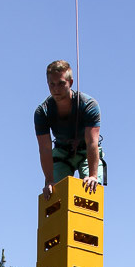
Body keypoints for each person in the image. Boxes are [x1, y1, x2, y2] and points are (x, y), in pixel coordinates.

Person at [35, 59, 104, 201]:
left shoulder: (88, 105)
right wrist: (49, 181)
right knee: (55, 195)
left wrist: (92, 176)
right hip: (62, 153)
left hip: (86, 152)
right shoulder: (43, 112)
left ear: (70, 83)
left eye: (61, 84)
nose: (56, 89)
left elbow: (92, 142)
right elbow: (45, 148)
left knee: (90, 191)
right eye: (52, 84)